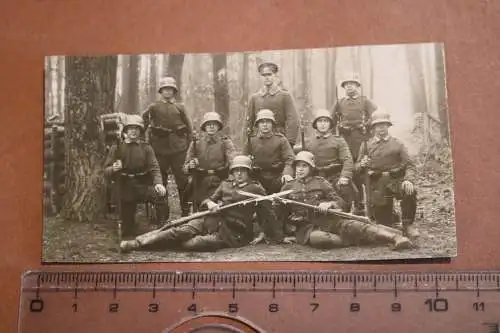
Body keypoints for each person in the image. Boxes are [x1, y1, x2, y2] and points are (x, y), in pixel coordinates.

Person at [119, 155, 280, 253]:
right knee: (180, 231)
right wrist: (210, 204)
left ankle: (159, 244)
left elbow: (268, 214)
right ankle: (137, 243)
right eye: (236, 170)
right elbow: (207, 200)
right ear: (232, 172)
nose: (238, 173)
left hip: (232, 232)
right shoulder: (225, 184)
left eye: (242, 170)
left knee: (192, 243)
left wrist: (272, 235)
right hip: (210, 219)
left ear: (248, 172)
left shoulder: (256, 190)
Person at [278, 151, 413, 250]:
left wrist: (329, 204)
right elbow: (279, 213)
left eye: (304, 166)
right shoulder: (288, 186)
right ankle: (373, 236)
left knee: (355, 226)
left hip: (329, 220)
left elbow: (340, 202)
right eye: (298, 166)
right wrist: (281, 235)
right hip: (306, 227)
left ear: (311, 168)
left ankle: (396, 238)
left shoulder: (321, 182)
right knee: (320, 240)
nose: (300, 169)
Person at [355, 111, 419, 239]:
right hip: (377, 185)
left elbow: (410, 164)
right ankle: (390, 218)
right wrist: (362, 164)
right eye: (378, 126)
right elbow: (356, 168)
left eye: (384, 125)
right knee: (384, 225)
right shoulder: (366, 145)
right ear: (373, 128)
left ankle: (407, 224)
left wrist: (409, 180)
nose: (381, 129)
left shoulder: (398, 144)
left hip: (396, 180)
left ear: (388, 126)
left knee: (409, 191)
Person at [103, 115, 168, 239]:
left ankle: (163, 228)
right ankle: (130, 227)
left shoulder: (146, 148)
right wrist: (113, 169)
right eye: (130, 128)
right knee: (128, 231)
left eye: (136, 128)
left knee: (161, 195)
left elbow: (154, 168)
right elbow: (105, 170)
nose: (133, 131)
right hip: (124, 186)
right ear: (125, 131)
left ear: (140, 131)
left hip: (142, 185)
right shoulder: (116, 148)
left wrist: (158, 183)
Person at [142, 76, 193, 217]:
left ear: (174, 91)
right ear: (161, 91)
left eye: (170, 89)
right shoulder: (153, 107)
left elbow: (189, 127)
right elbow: (142, 122)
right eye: (165, 89)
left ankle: (186, 212)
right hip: (159, 149)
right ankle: (162, 215)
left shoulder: (180, 107)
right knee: (160, 181)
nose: (168, 92)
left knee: (182, 181)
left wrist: (190, 146)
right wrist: (143, 140)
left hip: (179, 149)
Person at [331, 74, 378, 215]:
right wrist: (335, 132)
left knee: (363, 170)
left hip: (362, 139)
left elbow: (378, 116)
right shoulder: (340, 102)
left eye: (352, 84)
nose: (349, 86)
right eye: (346, 84)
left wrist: (366, 125)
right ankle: (356, 203)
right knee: (348, 169)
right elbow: (330, 119)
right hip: (345, 140)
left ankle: (372, 204)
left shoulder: (365, 101)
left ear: (357, 86)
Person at [183, 112, 236, 211]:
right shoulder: (196, 143)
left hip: (219, 180)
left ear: (218, 126)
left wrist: (230, 180)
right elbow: (185, 168)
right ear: (204, 127)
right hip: (200, 181)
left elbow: (233, 162)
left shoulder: (225, 143)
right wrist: (190, 165)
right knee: (191, 198)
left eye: (214, 124)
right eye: (208, 124)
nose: (211, 127)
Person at [308, 109, 355, 212]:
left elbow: (347, 160)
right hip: (316, 177)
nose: (323, 124)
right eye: (320, 121)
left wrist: (344, 176)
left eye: (326, 121)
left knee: (344, 194)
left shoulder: (339, 141)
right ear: (316, 124)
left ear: (330, 124)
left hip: (335, 177)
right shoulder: (309, 142)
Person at [245, 61, 299, 147]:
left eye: (269, 74)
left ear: (275, 75)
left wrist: (290, 142)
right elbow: (248, 123)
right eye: (264, 75)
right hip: (259, 141)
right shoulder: (254, 98)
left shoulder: (284, 96)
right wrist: (247, 142)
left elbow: (292, 120)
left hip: (280, 139)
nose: (266, 78)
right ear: (260, 77)